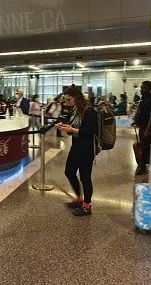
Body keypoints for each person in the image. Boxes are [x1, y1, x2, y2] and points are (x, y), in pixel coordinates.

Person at [56, 86, 98, 216]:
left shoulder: (89, 111)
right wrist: (66, 128)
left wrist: (72, 130)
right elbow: (73, 129)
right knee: (69, 171)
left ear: (76, 97)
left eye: (69, 100)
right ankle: (79, 198)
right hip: (76, 146)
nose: (67, 103)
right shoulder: (75, 111)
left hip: (86, 148)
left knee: (85, 177)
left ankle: (87, 206)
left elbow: (89, 132)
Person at [133, 81, 151, 175]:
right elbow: (140, 111)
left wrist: (148, 129)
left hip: (149, 127)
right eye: (141, 87)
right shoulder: (144, 98)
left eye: (143, 88)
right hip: (143, 125)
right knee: (146, 145)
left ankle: (142, 167)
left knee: (144, 147)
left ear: (148, 88)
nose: (141, 89)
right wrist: (136, 121)